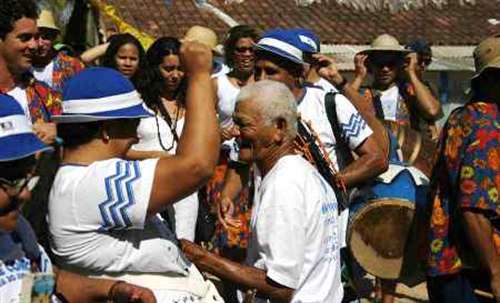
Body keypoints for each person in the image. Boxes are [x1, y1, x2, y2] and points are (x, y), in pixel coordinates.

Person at [48, 40, 223, 302]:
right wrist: (199, 74)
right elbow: (197, 166)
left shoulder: (85, 178)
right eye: (131, 125)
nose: (136, 137)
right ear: (106, 129)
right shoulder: (88, 183)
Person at [181, 80, 343, 303]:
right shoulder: (303, 173)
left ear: (279, 128)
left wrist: (202, 258)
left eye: (244, 124)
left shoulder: (284, 185)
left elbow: (281, 287)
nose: (235, 133)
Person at [0, 94, 155, 303]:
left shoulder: (19, 234)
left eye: (28, 177)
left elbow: (41, 285)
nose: (26, 193)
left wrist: (113, 290)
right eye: (12, 180)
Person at [425, 35, 500, 303]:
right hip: (471, 266)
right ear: (491, 79)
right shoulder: (487, 128)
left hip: (447, 261)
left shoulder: (461, 115)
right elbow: (474, 208)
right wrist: (496, 273)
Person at [129, 36, 198, 241]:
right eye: (168, 69)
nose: (175, 75)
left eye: (180, 69)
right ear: (154, 68)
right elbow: (117, 150)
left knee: (185, 247)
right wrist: (153, 156)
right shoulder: (136, 102)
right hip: (146, 189)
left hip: (185, 193)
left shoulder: (193, 102)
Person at [351, 34, 442, 139]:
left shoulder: (411, 92)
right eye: (379, 63)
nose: (385, 69)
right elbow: (338, 110)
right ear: (370, 64)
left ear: (399, 64)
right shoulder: (361, 94)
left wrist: (411, 72)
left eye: (391, 63)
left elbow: (432, 110)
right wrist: (359, 77)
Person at [0, 0, 61, 146]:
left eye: (36, 37)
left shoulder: (45, 95)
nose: (35, 45)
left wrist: (58, 132)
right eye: (25, 38)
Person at [31, 9, 85, 94]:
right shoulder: (19, 67)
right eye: (35, 37)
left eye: (46, 36)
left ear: (54, 37)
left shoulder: (72, 66)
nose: (40, 44)